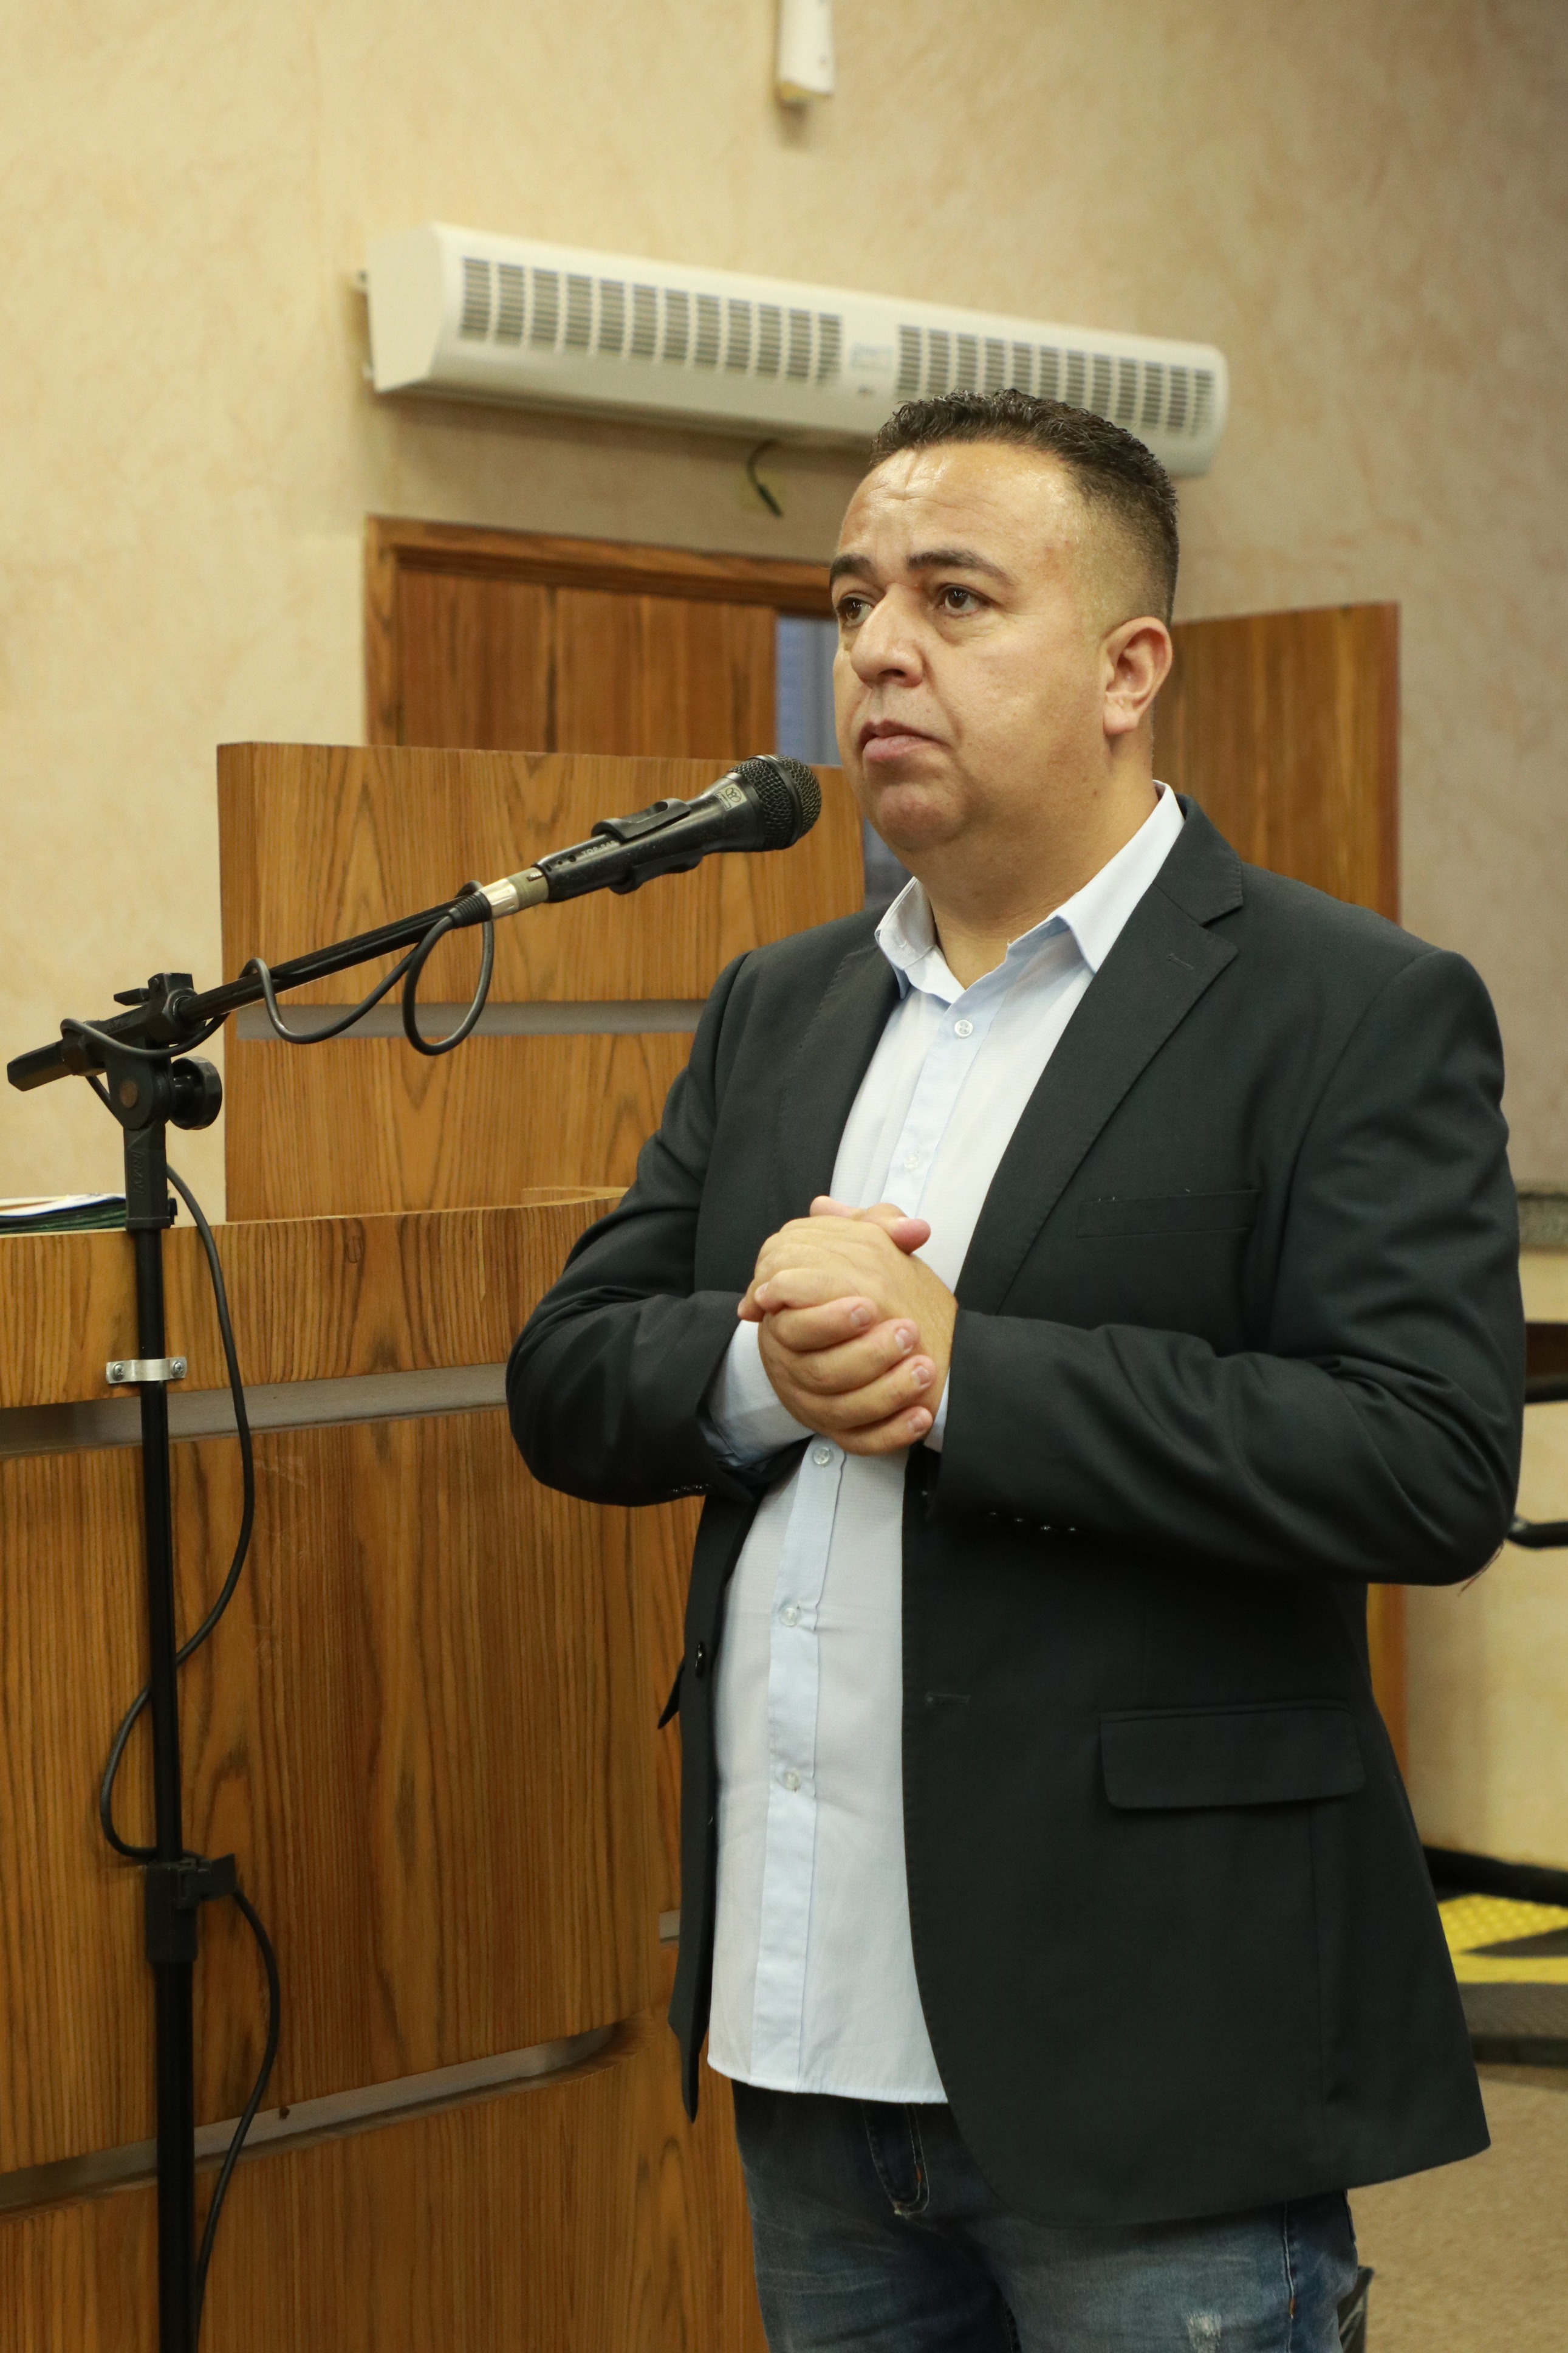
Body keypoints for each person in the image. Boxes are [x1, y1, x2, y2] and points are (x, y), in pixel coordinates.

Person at [507, 390, 1523, 2351]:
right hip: (807, 2030)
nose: (880, 650)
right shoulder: (781, 1004)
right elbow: (569, 1373)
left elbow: (1426, 1459)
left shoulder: (1349, 1008)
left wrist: (967, 1376)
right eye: (855, 602)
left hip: (1153, 2054)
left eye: (956, 599)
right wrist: (765, 1368)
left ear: (1130, 668)